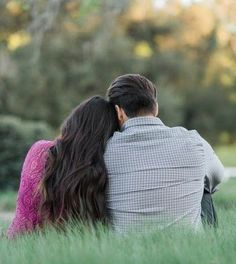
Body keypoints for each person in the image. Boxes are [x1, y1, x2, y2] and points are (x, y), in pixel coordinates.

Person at [104, 74, 225, 233]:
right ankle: (211, 250)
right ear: (156, 107)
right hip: (187, 249)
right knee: (205, 190)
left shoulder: (104, 150)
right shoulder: (194, 141)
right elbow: (218, 176)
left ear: (118, 112)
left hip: (124, 252)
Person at [7, 96, 119, 238]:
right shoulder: (104, 164)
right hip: (76, 250)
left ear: (74, 121)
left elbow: (24, 215)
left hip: (24, 244)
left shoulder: (41, 151)